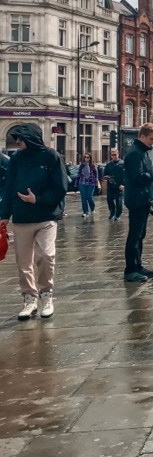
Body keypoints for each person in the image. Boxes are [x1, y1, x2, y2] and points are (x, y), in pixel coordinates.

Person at [0, 124, 69, 320]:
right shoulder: (16, 159)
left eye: (20, 138)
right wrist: (4, 214)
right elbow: (9, 187)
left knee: (46, 255)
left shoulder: (52, 157)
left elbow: (61, 186)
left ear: (31, 138)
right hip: (21, 217)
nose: (18, 142)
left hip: (46, 216)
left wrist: (37, 199)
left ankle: (46, 295)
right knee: (23, 262)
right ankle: (29, 298)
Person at [123, 123, 153, 283]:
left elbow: (145, 176)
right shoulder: (135, 154)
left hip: (143, 199)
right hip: (136, 200)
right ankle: (130, 270)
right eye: (151, 139)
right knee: (134, 235)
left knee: (140, 235)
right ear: (142, 136)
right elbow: (139, 178)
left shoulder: (142, 152)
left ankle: (138, 266)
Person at [103, 148, 125, 221]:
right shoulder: (109, 165)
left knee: (119, 201)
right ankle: (112, 212)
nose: (114, 156)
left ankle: (118, 214)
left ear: (118, 154)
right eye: (112, 155)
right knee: (109, 199)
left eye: (115, 154)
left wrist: (123, 184)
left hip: (119, 186)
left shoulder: (122, 164)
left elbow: (126, 175)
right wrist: (106, 177)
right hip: (111, 185)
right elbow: (105, 174)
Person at [76, 152, 99, 217]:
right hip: (82, 183)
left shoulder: (93, 165)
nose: (86, 158)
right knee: (83, 198)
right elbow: (78, 175)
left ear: (90, 158)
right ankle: (85, 212)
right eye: (85, 157)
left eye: (88, 157)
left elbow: (96, 175)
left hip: (91, 184)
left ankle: (92, 208)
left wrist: (96, 182)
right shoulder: (81, 166)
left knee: (89, 197)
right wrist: (76, 184)